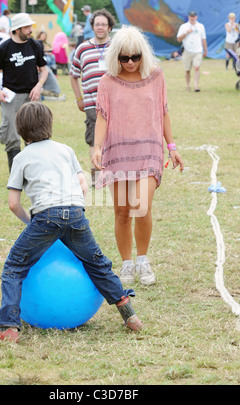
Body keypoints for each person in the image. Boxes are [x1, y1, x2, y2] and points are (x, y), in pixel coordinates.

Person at [0, 101, 143, 342]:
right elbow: (83, 186)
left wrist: (31, 222)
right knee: (97, 264)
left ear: (21, 130)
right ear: (49, 125)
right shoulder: (65, 149)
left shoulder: (21, 157)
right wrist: (72, 213)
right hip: (75, 212)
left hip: (45, 217)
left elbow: (13, 203)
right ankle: (129, 314)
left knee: (14, 266)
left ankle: (8, 326)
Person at [92, 26, 184, 286]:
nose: (130, 62)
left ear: (143, 54)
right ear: (115, 57)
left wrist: (172, 147)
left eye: (135, 57)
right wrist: (97, 147)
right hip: (118, 151)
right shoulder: (107, 82)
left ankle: (143, 260)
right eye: (124, 58)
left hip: (148, 151)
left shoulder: (156, 77)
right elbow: (102, 116)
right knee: (122, 211)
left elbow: (163, 112)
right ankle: (127, 263)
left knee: (142, 207)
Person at [0, 12, 48, 172]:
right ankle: (15, 174)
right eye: (27, 27)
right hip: (11, 97)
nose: (30, 30)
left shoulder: (35, 45)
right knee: (11, 135)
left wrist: (39, 85)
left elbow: (44, 70)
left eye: (30, 26)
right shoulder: (5, 47)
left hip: (32, 96)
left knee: (35, 133)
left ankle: (34, 171)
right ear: (17, 29)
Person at [70, 8, 115, 186]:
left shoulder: (117, 47)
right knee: (94, 138)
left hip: (115, 102)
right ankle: (97, 176)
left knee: (114, 137)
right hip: (91, 102)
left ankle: (113, 173)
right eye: (97, 24)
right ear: (92, 27)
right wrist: (78, 98)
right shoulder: (82, 48)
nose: (100, 27)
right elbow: (73, 75)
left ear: (110, 27)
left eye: (104, 24)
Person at [177, 11, 207, 92]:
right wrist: (186, 32)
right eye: (191, 16)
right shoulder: (184, 26)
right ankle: (188, 85)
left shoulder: (200, 26)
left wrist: (205, 50)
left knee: (197, 67)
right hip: (187, 50)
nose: (192, 18)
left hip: (198, 50)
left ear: (196, 17)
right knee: (187, 70)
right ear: (189, 17)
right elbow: (179, 39)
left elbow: (203, 39)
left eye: (193, 16)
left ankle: (196, 86)